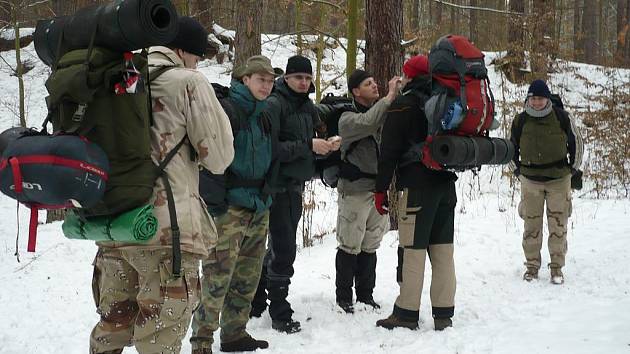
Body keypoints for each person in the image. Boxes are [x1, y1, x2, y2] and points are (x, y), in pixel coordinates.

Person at [88, 17, 234, 354]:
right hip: (166, 235)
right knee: (159, 340)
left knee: (111, 328)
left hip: (115, 227)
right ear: (182, 51)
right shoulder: (187, 82)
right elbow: (220, 157)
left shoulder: (117, 77)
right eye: (197, 57)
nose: (198, 64)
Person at [190, 55, 277, 353]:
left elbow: (270, 156)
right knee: (217, 275)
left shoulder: (265, 115)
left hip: (258, 207)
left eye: (270, 81)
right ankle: (201, 340)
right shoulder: (227, 110)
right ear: (245, 80)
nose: (266, 86)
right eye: (261, 80)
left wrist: (268, 193)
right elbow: (209, 159)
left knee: (247, 276)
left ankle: (234, 333)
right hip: (228, 209)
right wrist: (217, 204)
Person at [250, 55, 339, 334]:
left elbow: (317, 131)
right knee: (285, 248)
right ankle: (279, 310)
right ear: (286, 78)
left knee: (279, 246)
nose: (303, 82)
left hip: (296, 186)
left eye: (307, 78)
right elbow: (271, 148)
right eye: (298, 77)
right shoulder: (276, 104)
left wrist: (328, 143)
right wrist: (308, 145)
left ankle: (255, 299)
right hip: (276, 186)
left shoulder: (307, 106)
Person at [374, 55, 457, 331]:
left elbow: (388, 153)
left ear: (409, 77)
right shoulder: (447, 103)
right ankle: (443, 314)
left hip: (417, 187)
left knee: (413, 249)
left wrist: (380, 190)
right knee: (443, 250)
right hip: (446, 185)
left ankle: (407, 313)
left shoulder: (403, 106)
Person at [334, 69, 401, 314]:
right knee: (350, 243)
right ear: (355, 91)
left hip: (377, 190)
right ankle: (344, 297)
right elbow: (368, 122)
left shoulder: (382, 114)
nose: (375, 86)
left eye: (375, 82)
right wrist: (389, 96)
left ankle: (365, 295)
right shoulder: (347, 118)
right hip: (353, 191)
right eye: (368, 83)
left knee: (371, 243)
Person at [510, 79, 583, 284]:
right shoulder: (520, 120)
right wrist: (518, 171)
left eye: (540, 98)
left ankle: (557, 268)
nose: (536, 102)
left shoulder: (562, 117)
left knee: (558, 226)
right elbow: (510, 149)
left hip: (558, 181)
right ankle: (532, 266)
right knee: (531, 226)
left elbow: (577, 143)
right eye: (533, 98)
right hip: (530, 181)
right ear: (528, 99)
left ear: (547, 98)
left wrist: (572, 170)